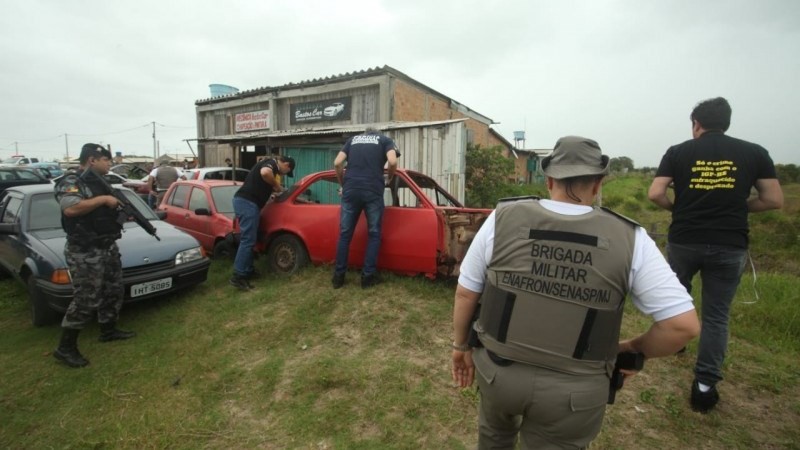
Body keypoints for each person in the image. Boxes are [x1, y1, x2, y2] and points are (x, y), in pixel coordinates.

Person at [452, 136, 700, 449]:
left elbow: (465, 293)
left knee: (494, 438)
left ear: (549, 179)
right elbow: (683, 326)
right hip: (575, 395)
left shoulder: (502, 218)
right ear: (598, 184)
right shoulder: (631, 239)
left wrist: (461, 345)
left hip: (499, 376)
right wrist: (631, 349)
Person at [648, 97, 783, 413]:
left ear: (696, 123)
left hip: (685, 239)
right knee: (716, 315)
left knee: (676, 296)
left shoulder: (678, 151)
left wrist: (678, 208)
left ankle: (676, 341)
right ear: (727, 122)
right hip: (729, 244)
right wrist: (737, 208)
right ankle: (704, 386)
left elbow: (655, 193)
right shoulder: (754, 152)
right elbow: (774, 199)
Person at [52, 143, 136, 368]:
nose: (109, 163)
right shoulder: (71, 182)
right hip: (85, 250)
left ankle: (108, 330)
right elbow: (70, 208)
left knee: (112, 289)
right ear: (92, 160)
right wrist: (103, 201)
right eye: (106, 160)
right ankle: (65, 347)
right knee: (86, 298)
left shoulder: (101, 182)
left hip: (107, 245)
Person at [331, 127, 399, 289]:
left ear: (364, 134)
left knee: (345, 235)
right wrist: (389, 178)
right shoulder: (385, 140)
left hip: (351, 189)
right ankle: (367, 278)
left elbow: (337, 163)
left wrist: (344, 184)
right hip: (372, 190)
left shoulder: (352, 140)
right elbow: (393, 161)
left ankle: (338, 278)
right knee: (374, 234)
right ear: (377, 134)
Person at [230, 154, 296, 290]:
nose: (283, 175)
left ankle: (248, 270)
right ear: (286, 166)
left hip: (248, 203)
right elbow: (265, 173)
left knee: (250, 240)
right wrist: (277, 186)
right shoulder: (270, 162)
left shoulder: (273, 167)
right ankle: (238, 276)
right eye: (287, 172)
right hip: (247, 203)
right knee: (248, 240)